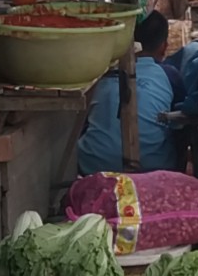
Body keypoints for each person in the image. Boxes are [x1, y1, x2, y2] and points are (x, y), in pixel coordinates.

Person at [77, 11, 184, 176]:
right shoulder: (169, 75)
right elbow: (181, 119)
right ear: (164, 46)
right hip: (151, 170)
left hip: (93, 165)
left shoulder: (103, 73)